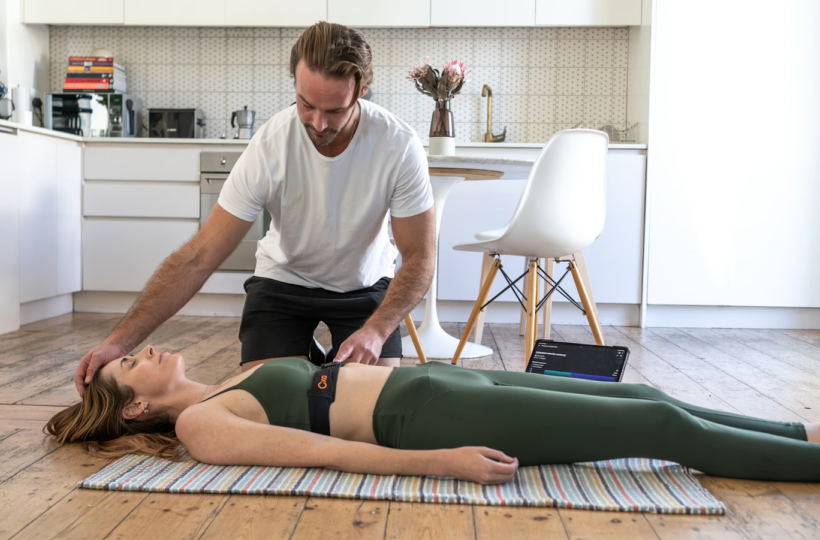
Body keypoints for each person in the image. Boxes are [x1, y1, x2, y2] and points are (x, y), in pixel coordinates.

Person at [72, 21, 436, 398]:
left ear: (361, 91)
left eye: (335, 110)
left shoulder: (397, 144)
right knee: (274, 398)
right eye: (306, 104)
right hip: (284, 281)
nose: (318, 124)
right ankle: (305, 356)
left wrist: (376, 331)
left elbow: (420, 256)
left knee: (368, 401)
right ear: (294, 83)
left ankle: (316, 359)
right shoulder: (271, 144)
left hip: (364, 287)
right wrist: (118, 342)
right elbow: (199, 257)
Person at [49, 345, 820, 484]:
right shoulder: (199, 425)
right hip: (428, 422)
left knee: (642, 398)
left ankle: (797, 435)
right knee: (658, 433)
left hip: (441, 381)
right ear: (137, 405)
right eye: (131, 365)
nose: (144, 351)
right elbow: (325, 456)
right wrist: (438, 464)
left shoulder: (235, 377)